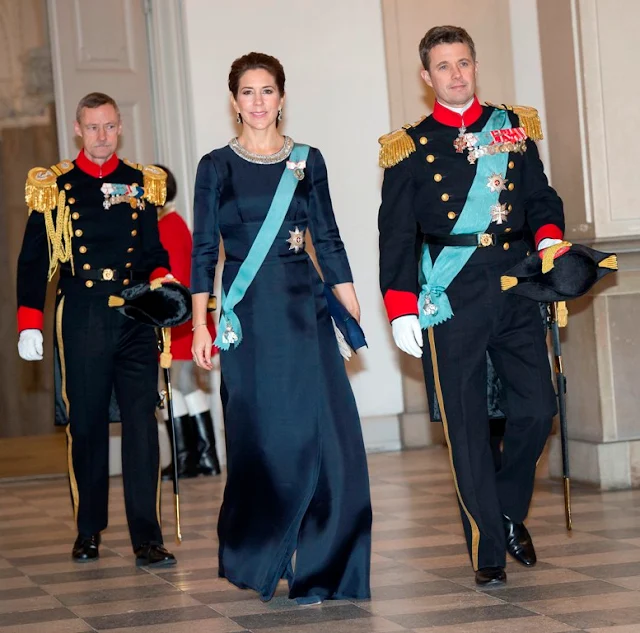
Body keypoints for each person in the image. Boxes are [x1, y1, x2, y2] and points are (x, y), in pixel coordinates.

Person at [378, 26, 564, 587]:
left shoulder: (513, 127)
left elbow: (539, 197)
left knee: (537, 410)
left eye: (463, 63)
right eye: (443, 66)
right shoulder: (408, 146)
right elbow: (396, 235)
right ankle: (488, 548)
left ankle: (505, 508)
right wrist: (400, 306)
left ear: (475, 66)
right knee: (466, 424)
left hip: (514, 283)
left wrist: (552, 238)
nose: (455, 74)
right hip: (449, 294)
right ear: (425, 76)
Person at [191, 52, 371, 604]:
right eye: (248, 92)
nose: (259, 101)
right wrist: (201, 323)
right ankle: (265, 552)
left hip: (304, 308)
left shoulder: (306, 160)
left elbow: (329, 234)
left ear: (282, 96)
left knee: (330, 435)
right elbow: (202, 250)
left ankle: (327, 565)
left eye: (268, 90)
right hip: (248, 320)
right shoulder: (215, 166)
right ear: (234, 100)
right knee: (264, 437)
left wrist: (348, 296)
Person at [16, 92, 177, 568]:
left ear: (121, 127)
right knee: (85, 426)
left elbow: (153, 253)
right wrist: (29, 320)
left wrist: (163, 281)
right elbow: (33, 261)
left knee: (142, 426)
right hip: (82, 313)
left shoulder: (141, 183)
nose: (102, 136)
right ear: (77, 129)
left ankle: (147, 537)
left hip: (134, 314)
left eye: (109, 127)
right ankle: (88, 531)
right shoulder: (55, 186)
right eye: (93, 128)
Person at [156, 164, 221, 479]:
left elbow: (178, 279)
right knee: (173, 389)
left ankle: (205, 456)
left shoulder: (169, 224)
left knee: (181, 385)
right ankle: (188, 457)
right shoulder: (166, 223)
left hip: (180, 323)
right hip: (173, 322)